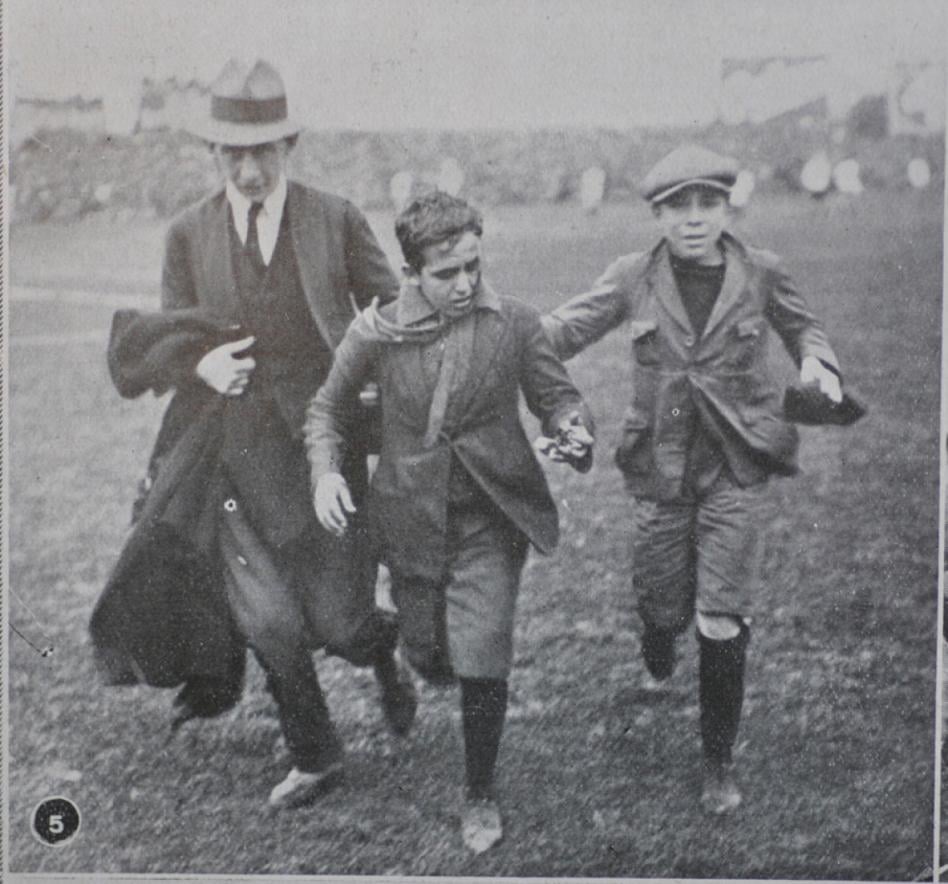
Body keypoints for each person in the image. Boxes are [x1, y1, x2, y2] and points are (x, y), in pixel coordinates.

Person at [90, 58, 416, 810]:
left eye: (262, 151)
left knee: (340, 623)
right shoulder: (187, 234)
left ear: (288, 148)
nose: (248, 168)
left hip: (320, 455)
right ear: (213, 155)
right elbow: (173, 338)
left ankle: (382, 651)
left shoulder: (334, 219)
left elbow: (394, 312)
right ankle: (316, 753)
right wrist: (201, 364)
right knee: (267, 619)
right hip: (228, 461)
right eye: (232, 153)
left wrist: (366, 375)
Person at [542, 144, 846, 815]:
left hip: (737, 464)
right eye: (678, 207)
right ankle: (655, 637)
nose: (693, 219)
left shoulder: (761, 272)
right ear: (657, 213)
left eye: (707, 203)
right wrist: (496, 343)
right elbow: (560, 332)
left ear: (726, 206)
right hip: (661, 468)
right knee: (664, 605)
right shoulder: (633, 276)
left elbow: (805, 330)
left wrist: (819, 365)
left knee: (719, 615)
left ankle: (717, 760)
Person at [304, 190, 594, 853]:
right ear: (411, 272)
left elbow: (558, 398)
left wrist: (572, 430)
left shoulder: (515, 324)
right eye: (446, 272)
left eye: (473, 266)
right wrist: (325, 471)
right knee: (433, 657)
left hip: (492, 517)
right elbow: (325, 408)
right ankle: (407, 661)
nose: (464, 283)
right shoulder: (376, 331)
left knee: (483, 653)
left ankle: (480, 792)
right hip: (408, 521)